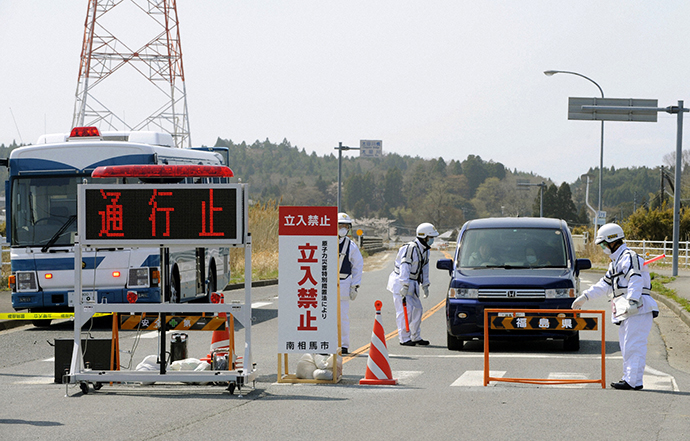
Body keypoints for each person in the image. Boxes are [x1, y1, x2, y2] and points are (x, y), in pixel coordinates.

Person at [572, 223, 658, 390]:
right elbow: (603, 285)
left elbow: (635, 279)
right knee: (627, 346)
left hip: (637, 308)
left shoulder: (628, 257)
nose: (603, 248)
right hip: (626, 309)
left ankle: (633, 381)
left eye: (604, 244)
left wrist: (633, 301)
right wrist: (584, 297)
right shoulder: (616, 262)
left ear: (613, 242)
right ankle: (629, 378)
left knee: (634, 345)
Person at [387, 222, 439, 346]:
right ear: (424, 237)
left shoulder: (425, 250)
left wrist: (425, 284)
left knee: (417, 309)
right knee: (405, 311)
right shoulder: (410, 248)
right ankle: (404, 338)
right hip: (401, 281)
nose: (432, 240)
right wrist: (404, 285)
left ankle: (416, 336)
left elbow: (425, 267)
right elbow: (404, 267)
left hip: (413, 282)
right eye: (430, 237)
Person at [337, 212, 363, 355]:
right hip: (326, 284)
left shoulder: (351, 245)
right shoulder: (326, 241)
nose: (343, 228)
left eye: (346, 226)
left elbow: (358, 266)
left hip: (344, 283)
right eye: (340, 225)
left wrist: (355, 286)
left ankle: (343, 345)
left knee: (343, 316)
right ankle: (327, 343)